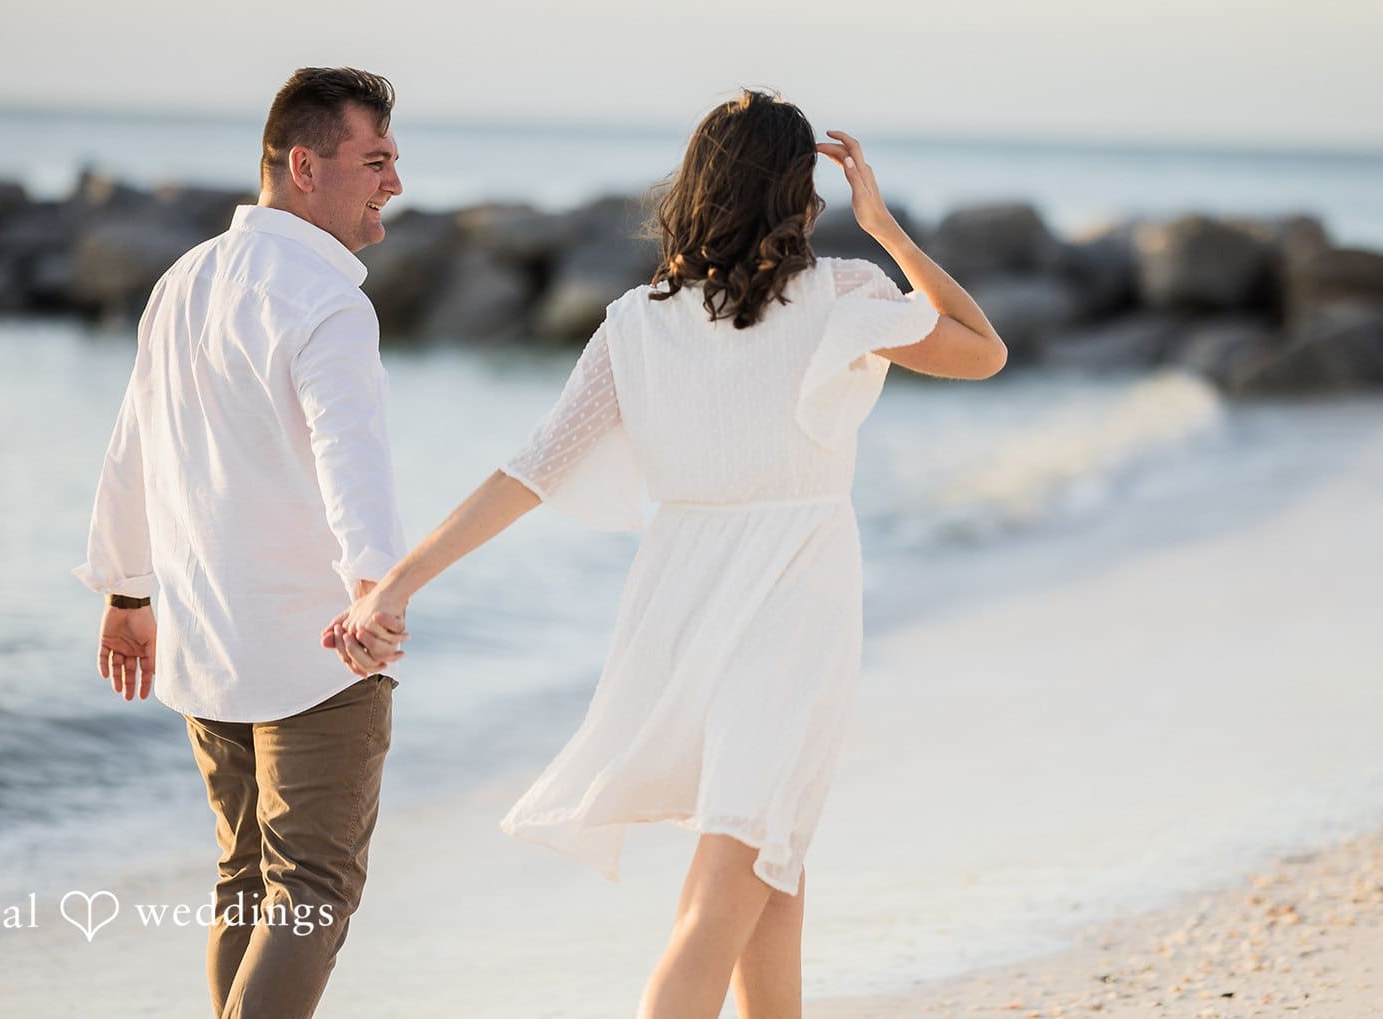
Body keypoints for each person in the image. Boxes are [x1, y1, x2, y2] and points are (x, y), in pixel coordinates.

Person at [326, 90, 1008, 1018]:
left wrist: (399, 582)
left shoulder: (636, 323)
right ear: (797, 195)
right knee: (733, 878)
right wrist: (886, 228)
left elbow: (529, 472)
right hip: (796, 602)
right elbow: (983, 349)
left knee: (773, 856)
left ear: (696, 188)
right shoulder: (843, 294)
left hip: (680, 601)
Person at [72, 67, 411, 1018]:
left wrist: (126, 593)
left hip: (206, 641)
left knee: (247, 882)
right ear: (306, 166)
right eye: (375, 161)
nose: (393, 184)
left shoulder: (185, 278)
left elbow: (132, 442)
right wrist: (374, 593)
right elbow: (356, 468)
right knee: (309, 895)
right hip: (317, 649)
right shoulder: (330, 304)